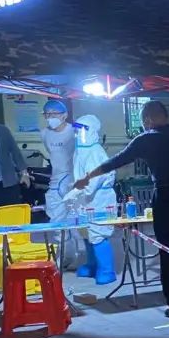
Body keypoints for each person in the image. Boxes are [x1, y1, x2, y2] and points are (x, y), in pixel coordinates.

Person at [74, 100, 169, 321]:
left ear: (146, 120)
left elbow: (115, 162)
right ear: (166, 116)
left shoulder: (144, 140)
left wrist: (87, 177)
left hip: (165, 197)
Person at [64, 114, 117, 285]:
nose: (78, 133)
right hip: (86, 199)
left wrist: (75, 191)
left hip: (99, 198)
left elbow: (93, 181)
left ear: (91, 131)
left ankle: (107, 270)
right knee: (86, 232)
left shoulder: (95, 151)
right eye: (76, 130)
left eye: (82, 130)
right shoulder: (81, 150)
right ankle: (92, 265)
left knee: (98, 233)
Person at [40, 99, 76, 224]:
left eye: (54, 113)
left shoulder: (73, 131)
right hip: (55, 180)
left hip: (73, 178)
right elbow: (51, 153)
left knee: (75, 217)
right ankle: (61, 237)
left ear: (64, 115)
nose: (50, 117)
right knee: (56, 218)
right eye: (47, 114)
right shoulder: (44, 133)